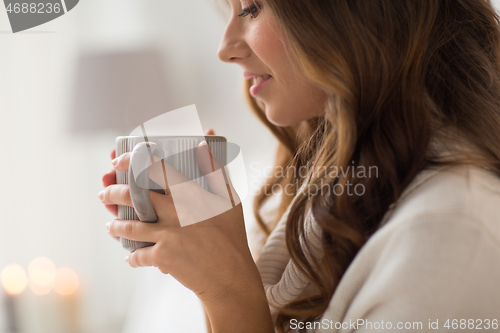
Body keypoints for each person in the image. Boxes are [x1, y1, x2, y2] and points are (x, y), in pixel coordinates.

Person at [99, 0, 500, 332]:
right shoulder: (319, 196)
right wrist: (213, 274)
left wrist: (231, 291)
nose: (225, 49)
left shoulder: (450, 235)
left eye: (252, 8)